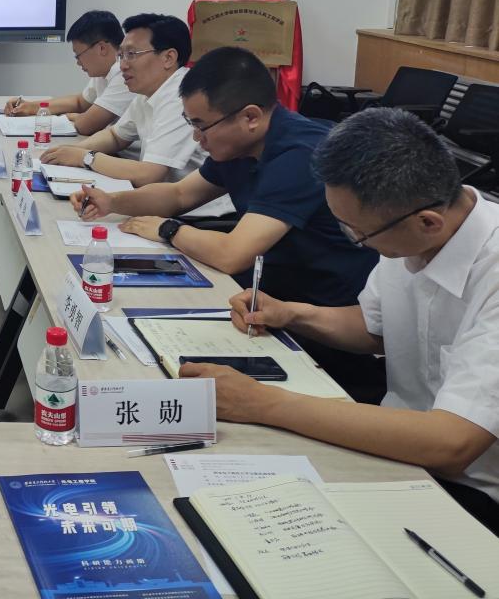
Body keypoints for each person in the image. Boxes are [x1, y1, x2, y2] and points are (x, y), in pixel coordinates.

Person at [182, 108, 499, 533]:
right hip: (392, 450)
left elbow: (451, 443)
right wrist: (293, 313)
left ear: (427, 222)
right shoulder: (409, 231)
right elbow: (373, 328)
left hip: (470, 491)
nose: (356, 241)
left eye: (357, 233)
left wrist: (262, 403)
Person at [74, 46, 381, 400]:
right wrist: (112, 201)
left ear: (250, 117)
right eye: (191, 123)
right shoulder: (240, 144)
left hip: (321, 324)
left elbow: (232, 254)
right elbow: (179, 195)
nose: (196, 138)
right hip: (265, 297)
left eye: (201, 125)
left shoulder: (300, 154)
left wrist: (168, 229)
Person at [41, 13, 204, 187]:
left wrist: (84, 157)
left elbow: (149, 174)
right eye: (121, 55)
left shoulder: (181, 97)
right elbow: (115, 136)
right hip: (157, 195)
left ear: (168, 58)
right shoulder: (148, 92)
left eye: (132, 54)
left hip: (190, 204)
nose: (123, 65)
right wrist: (71, 151)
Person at [2, 10, 133, 136]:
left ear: (102, 48)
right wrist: (29, 107)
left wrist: (70, 116)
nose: (78, 63)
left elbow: (86, 125)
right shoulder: (104, 71)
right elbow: (79, 103)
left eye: (78, 55)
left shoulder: (125, 74)